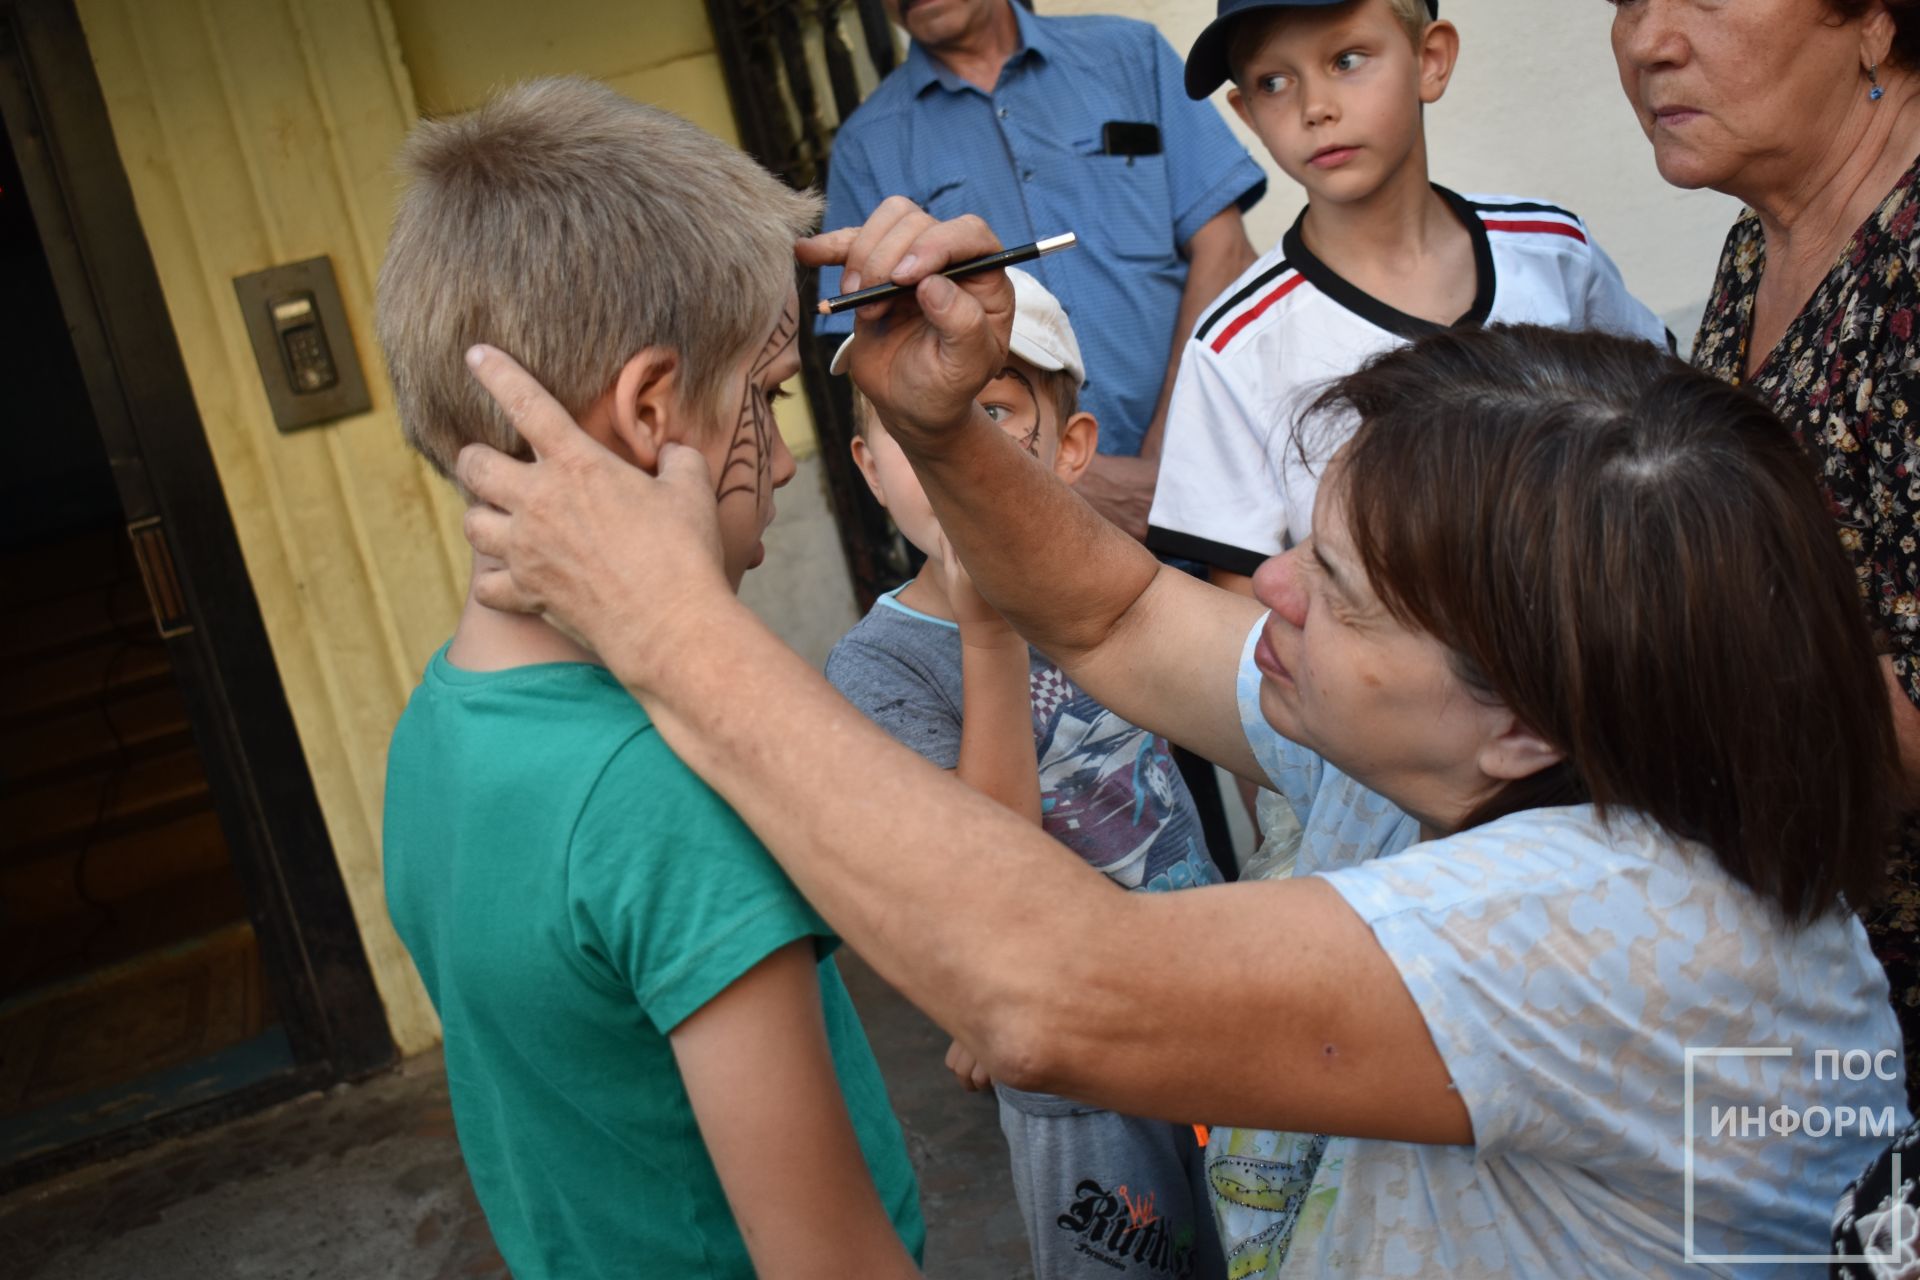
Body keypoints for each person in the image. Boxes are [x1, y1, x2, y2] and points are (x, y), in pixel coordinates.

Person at [452, 205, 1910, 1275]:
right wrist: (946, 431)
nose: (1268, 583)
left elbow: (1048, 993)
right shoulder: (1469, 749)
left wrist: (668, 626)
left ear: (1523, 720)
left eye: (1330, 587)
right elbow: (1116, 614)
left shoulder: (1635, 927)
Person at [372, 78, 922, 1279]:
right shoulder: (661, 791)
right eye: (766, 401)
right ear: (652, 410)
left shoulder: (436, 724)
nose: (780, 463)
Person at [825, 267, 1226, 1279]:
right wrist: (989, 639)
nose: (953, 455)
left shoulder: (1120, 590)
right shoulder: (879, 666)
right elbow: (974, 889)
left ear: (1071, 447)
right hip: (1073, 1075)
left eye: (987, 413)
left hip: (1220, 1004)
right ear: (872, 469)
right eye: (917, 438)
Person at [1608, 0, 1920, 1115]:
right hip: (1815, 992)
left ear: (1877, 23)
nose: (1647, 41)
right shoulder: (1762, 243)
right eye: (1624, 1)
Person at [1146, 0, 1668, 595]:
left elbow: (1666, 437)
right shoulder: (1235, 349)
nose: (1316, 108)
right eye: (1274, 82)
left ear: (1430, 60)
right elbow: (1243, 615)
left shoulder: (1556, 255)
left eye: (1346, 60)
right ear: (1246, 114)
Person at [817, 0, 1267, 541]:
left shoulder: (1130, 56)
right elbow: (880, 376)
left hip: (1218, 466)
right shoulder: (868, 146)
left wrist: (1170, 456)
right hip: (1024, 524)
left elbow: (1225, 250)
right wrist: (1062, 473)